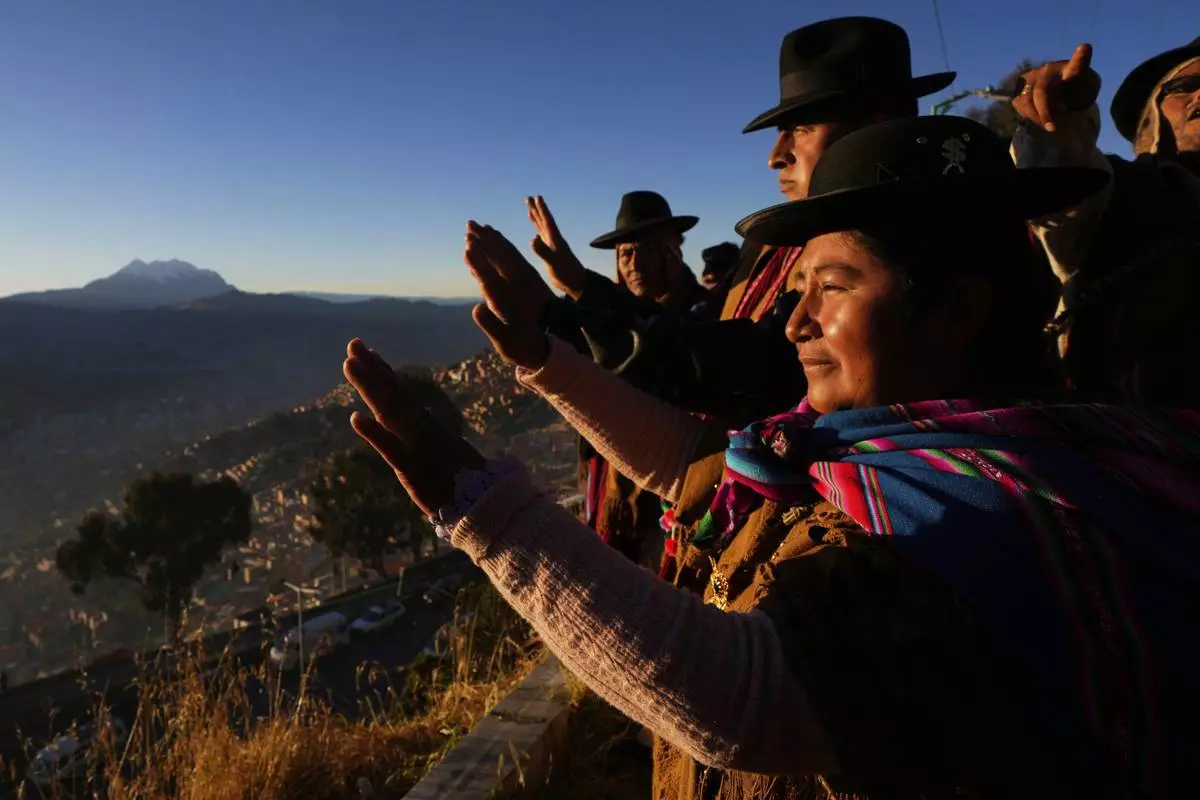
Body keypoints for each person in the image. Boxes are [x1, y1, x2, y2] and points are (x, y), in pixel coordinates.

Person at [342, 116, 1199, 798]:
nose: (795, 324)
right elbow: (693, 463)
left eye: (833, 287)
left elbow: (746, 696)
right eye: (797, 290)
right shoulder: (856, 453)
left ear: (958, 310)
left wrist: (485, 513)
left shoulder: (1000, 521)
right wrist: (545, 362)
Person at [506, 17, 956, 419]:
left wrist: (564, 308)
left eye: (801, 128)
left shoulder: (929, 246)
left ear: (873, 129)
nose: (775, 157)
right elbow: (709, 345)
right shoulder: (766, 251)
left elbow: (749, 363)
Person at [1012, 40, 1200, 405]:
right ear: (1150, 119)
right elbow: (1064, 178)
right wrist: (1058, 116)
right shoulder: (1130, 193)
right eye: (1183, 87)